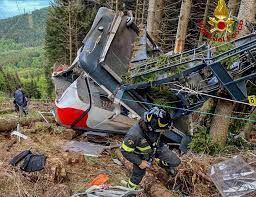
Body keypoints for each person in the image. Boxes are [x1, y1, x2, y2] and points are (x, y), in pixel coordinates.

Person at [121, 107, 181, 189]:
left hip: (156, 148)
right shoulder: (134, 135)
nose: (162, 131)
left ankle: (161, 163)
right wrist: (139, 162)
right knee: (137, 177)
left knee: (175, 161)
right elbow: (124, 151)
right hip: (141, 156)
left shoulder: (154, 127)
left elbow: (157, 136)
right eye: (161, 129)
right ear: (152, 125)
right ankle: (129, 190)